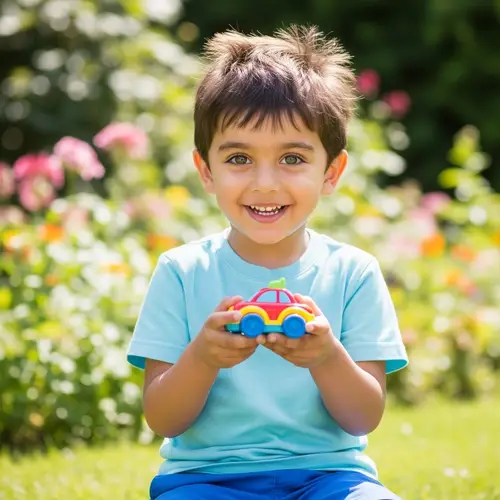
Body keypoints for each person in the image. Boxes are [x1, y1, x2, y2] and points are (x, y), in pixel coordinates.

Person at [127, 24, 409, 500]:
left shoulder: (353, 273)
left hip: (330, 478)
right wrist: (201, 358)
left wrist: (327, 357)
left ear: (331, 172)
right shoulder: (181, 271)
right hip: (205, 481)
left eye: (292, 159)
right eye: (238, 158)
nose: (265, 183)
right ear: (206, 171)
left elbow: (364, 416)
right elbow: (162, 418)